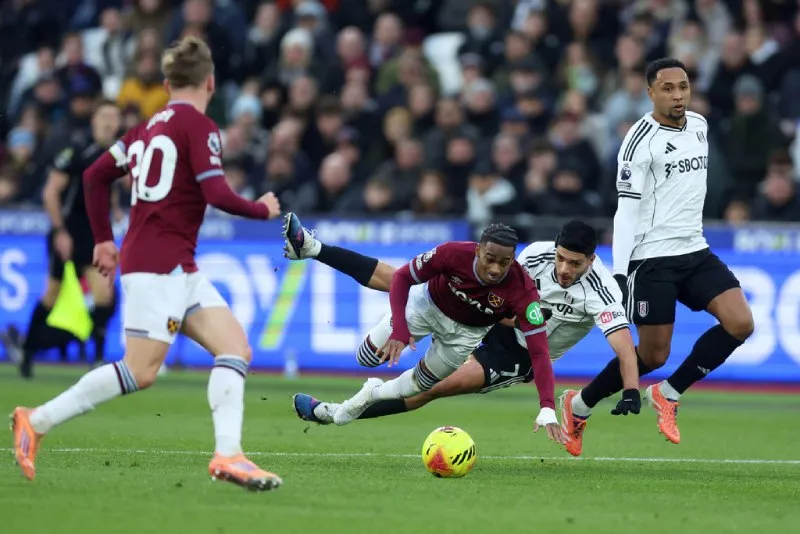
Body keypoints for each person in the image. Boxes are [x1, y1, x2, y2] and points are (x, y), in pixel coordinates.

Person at [10, 37, 284, 491]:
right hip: (158, 265)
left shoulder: (144, 130)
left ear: (166, 82)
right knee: (140, 371)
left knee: (235, 348)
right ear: (210, 82)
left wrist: (103, 240)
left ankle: (229, 456)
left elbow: (95, 175)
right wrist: (261, 208)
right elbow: (217, 194)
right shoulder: (198, 126)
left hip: (175, 263)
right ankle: (35, 420)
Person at [284, 215, 640, 450]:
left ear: (591, 261)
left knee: (431, 389)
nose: (563, 268)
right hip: (493, 320)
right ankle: (314, 248)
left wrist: (631, 390)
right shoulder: (533, 255)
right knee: (399, 278)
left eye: (574, 263)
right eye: (561, 258)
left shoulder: (602, 292)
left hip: (516, 355)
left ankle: (334, 412)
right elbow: (503, 292)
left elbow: (623, 347)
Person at [560, 58, 754, 452]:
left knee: (740, 323)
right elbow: (626, 211)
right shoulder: (638, 141)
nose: (678, 95)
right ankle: (579, 403)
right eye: (668, 88)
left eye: (683, 86)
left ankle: (669, 392)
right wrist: (619, 271)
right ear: (651, 92)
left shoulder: (700, 126)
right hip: (651, 260)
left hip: (695, 250)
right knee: (652, 354)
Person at [9, 100, 121, 378]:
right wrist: (60, 231)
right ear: (94, 120)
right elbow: (50, 192)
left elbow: (109, 187)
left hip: (93, 237)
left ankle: (96, 360)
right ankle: (28, 351)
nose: (109, 123)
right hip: (68, 232)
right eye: (104, 116)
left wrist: (116, 209)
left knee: (105, 296)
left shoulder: (116, 155)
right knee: (51, 295)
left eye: (113, 118)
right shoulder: (76, 153)